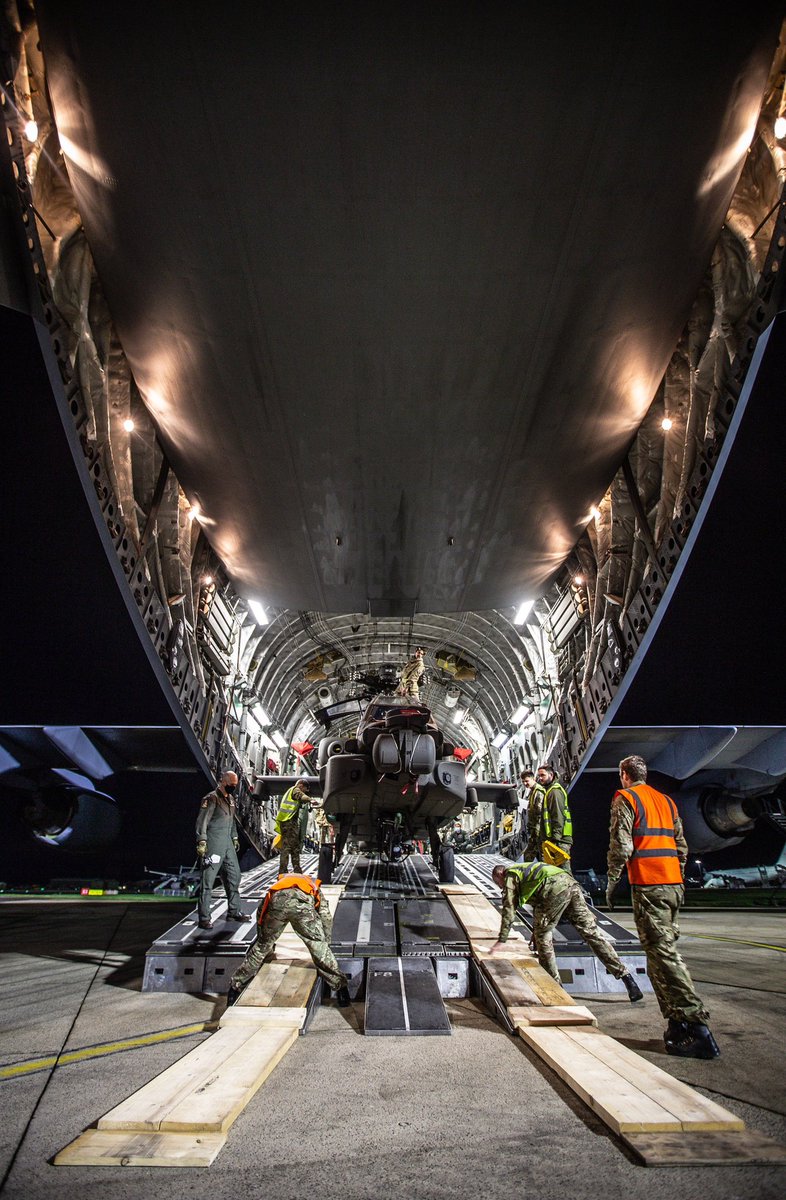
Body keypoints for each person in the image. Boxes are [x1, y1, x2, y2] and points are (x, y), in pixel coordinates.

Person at [607, 755, 720, 1059]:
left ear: (624, 774)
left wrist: (612, 880)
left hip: (649, 885)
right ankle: (677, 1024)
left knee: (664, 955)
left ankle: (698, 1028)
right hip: (672, 885)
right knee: (658, 954)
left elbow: (622, 844)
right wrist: (677, 874)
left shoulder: (626, 798)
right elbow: (681, 846)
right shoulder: (666, 802)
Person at [489, 860, 644, 1001]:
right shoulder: (525, 871)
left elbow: (509, 909)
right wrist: (536, 930)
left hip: (553, 889)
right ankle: (628, 980)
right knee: (592, 935)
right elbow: (538, 898)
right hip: (570, 885)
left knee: (543, 937)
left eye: (499, 884)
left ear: (500, 874)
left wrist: (502, 939)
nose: (501, 887)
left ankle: (556, 989)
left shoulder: (510, 876)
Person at [227, 873, 350, 1007]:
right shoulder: (312, 886)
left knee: (260, 948)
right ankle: (341, 989)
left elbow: (260, 913)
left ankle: (235, 987)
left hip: (278, 904)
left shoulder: (278, 886)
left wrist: (265, 941)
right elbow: (325, 916)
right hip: (302, 907)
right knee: (318, 947)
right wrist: (326, 942)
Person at [195, 769, 245, 930]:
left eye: (235, 785)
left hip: (228, 844)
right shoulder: (211, 799)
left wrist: (235, 837)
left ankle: (234, 911)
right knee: (207, 881)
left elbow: (232, 822)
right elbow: (202, 822)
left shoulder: (230, 800)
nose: (233, 787)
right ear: (223, 781)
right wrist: (202, 840)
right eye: (232, 784)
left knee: (234, 876)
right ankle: (204, 918)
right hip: (214, 844)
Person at [536, 764, 573, 870]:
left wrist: (555, 841)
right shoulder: (550, 791)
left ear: (551, 775)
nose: (540, 778)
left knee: (564, 874)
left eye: (543, 775)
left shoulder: (554, 792)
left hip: (559, 840)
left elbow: (558, 816)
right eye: (539, 776)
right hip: (556, 840)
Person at [275, 779, 312, 874]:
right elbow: (300, 796)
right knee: (287, 848)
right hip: (288, 822)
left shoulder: (290, 791)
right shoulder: (295, 790)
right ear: (300, 785)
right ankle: (283, 871)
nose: (303, 792)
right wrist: (310, 800)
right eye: (304, 789)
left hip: (290, 823)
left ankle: (297, 870)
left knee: (295, 847)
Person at [521, 769, 546, 860]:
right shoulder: (532, 791)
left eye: (526, 781)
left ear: (533, 779)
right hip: (535, 830)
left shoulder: (538, 792)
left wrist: (537, 831)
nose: (525, 784)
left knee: (541, 855)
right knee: (530, 855)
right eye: (523, 782)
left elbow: (540, 814)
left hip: (539, 831)